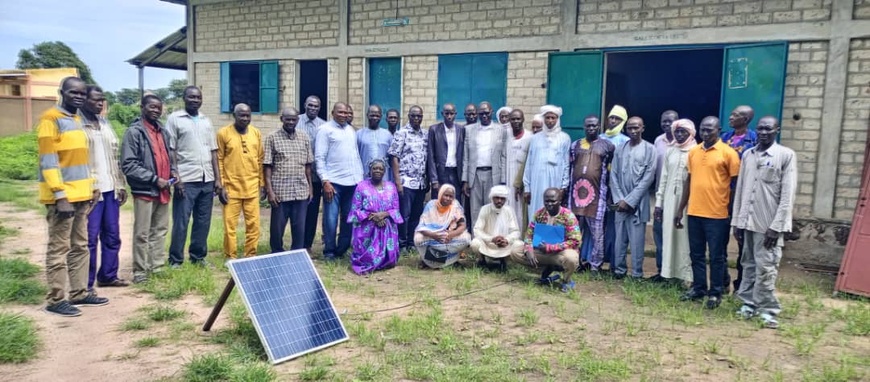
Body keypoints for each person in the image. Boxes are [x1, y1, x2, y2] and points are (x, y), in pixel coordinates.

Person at [38, 77, 105, 317]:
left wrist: (92, 187)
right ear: (62, 92)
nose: (78, 96)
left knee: (80, 245)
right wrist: (60, 195)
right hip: (63, 198)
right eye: (73, 92)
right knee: (59, 248)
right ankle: (56, 299)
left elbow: (81, 160)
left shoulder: (77, 120)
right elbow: (48, 161)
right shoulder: (51, 119)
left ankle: (79, 293)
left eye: (81, 93)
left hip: (81, 195)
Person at [732, 116, 796, 329]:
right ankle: (748, 304)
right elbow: (741, 190)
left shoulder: (785, 156)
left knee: (766, 267)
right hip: (747, 222)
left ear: (777, 130)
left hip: (768, 225)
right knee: (747, 264)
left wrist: (776, 227)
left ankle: (767, 310)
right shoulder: (748, 155)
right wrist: (737, 222)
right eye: (760, 129)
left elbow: (787, 196)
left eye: (769, 129)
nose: (764, 132)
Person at [676, 116, 740, 309]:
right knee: (696, 254)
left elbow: (736, 186)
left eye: (709, 130)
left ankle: (716, 292)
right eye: (702, 130)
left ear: (718, 130)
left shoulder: (729, 154)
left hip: (718, 215)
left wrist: (731, 213)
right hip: (695, 212)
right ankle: (699, 288)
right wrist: (680, 209)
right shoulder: (694, 152)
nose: (705, 133)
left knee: (717, 256)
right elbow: (689, 181)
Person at [122, 94, 177, 285]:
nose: (156, 110)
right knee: (142, 232)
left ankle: (157, 266)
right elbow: (128, 164)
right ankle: (140, 270)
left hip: (164, 189)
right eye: (152, 107)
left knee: (160, 229)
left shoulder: (163, 131)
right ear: (142, 107)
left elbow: (170, 156)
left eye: (158, 107)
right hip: (145, 190)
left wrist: (174, 172)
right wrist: (154, 179)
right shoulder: (134, 132)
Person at [166, 86, 221, 268]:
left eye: (198, 97)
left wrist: (217, 179)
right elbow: (171, 149)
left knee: (203, 221)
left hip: (207, 178)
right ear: (184, 98)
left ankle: (198, 257)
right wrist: (177, 177)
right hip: (186, 179)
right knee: (181, 221)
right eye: (191, 97)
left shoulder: (206, 120)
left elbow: (213, 151)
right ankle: (176, 259)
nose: (195, 100)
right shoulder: (175, 119)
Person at [80, 85, 128, 290]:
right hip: (90, 191)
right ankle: (85, 284)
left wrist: (120, 183)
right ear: (84, 100)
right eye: (95, 100)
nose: (100, 103)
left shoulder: (104, 123)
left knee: (112, 235)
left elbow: (114, 158)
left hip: (110, 189)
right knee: (89, 239)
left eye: (102, 100)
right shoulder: (76, 125)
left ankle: (108, 275)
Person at [316, 102, 364, 260]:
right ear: (332, 113)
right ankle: (329, 250)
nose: (343, 115)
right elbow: (320, 158)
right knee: (330, 218)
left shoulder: (351, 130)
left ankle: (342, 249)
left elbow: (355, 157)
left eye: (346, 112)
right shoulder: (325, 130)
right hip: (334, 183)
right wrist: (325, 181)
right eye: (340, 112)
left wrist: (360, 180)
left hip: (352, 183)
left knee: (349, 218)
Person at [611, 117, 656, 279]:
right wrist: (620, 199)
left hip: (638, 204)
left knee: (637, 241)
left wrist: (630, 200)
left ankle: (637, 273)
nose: (633, 131)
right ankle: (619, 270)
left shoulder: (650, 149)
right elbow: (613, 175)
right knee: (620, 240)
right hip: (620, 202)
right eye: (630, 128)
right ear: (626, 129)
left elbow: (648, 178)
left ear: (643, 128)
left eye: (636, 127)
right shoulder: (620, 149)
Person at [217, 104, 264, 259]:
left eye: (248, 115)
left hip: (251, 188)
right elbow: (219, 160)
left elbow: (260, 160)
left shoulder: (256, 133)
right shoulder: (223, 133)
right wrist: (221, 186)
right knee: (230, 226)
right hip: (231, 188)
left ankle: (250, 255)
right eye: (241, 115)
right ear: (234, 116)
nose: (245, 118)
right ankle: (230, 257)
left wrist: (262, 184)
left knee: (254, 226)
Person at [513, 188, 581, 293]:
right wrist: (528, 250)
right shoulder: (539, 214)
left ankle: (566, 280)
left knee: (571, 258)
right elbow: (529, 235)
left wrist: (551, 247)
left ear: (560, 200)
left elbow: (576, 240)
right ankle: (544, 269)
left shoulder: (568, 216)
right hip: (540, 250)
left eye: (553, 201)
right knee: (515, 251)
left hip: (559, 253)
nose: (549, 204)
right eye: (546, 201)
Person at [569, 115, 614, 273]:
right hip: (575, 196)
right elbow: (570, 168)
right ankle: (574, 262)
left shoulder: (607, 146)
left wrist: (608, 194)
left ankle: (595, 266)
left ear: (599, 127)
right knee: (573, 232)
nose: (591, 128)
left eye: (594, 126)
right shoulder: (575, 145)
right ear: (584, 127)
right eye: (588, 126)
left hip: (597, 197)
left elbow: (610, 172)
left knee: (597, 234)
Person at [654, 119, 696, 284]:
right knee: (669, 236)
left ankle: (687, 278)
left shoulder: (696, 151)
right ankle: (669, 275)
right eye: (677, 131)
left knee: (684, 238)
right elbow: (663, 178)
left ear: (691, 133)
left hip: (689, 202)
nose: (679, 135)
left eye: (683, 132)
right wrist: (659, 204)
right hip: (670, 200)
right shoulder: (671, 151)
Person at [264, 107, 313, 252]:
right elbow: (267, 166)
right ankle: (276, 252)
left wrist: (310, 188)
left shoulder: (304, 137)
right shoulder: (272, 138)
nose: (291, 122)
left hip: (300, 190)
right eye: (288, 119)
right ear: (282, 119)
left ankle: (296, 253)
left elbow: (308, 166)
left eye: (294, 119)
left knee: (299, 227)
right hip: (280, 192)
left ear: (298, 120)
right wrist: (270, 191)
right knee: (277, 228)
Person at [723, 105, 758, 291]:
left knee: (743, 243)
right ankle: (722, 281)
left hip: (743, 196)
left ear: (745, 120)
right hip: (722, 196)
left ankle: (741, 284)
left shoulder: (754, 141)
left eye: (735, 115)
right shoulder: (724, 138)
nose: (731, 116)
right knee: (719, 241)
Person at [348, 159, 403, 274]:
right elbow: (355, 210)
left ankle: (386, 259)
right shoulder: (361, 186)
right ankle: (368, 259)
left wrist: (384, 214)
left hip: (386, 223)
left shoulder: (391, 187)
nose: (378, 171)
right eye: (375, 168)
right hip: (367, 224)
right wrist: (373, 217)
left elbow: (396, 209)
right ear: (370, 170)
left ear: (384, 171)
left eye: (381, 169)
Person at [389, 105, 429, 250]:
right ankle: (402, 243)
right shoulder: (402, 133)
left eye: (419, 116)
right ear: (409, 116)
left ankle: (412, 243)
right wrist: (398, 181)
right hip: (406, 181)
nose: (416, 118)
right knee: (404, 215)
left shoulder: (425, 134)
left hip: (421, 183)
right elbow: (394, 157)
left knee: (416, 215)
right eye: (414, 116)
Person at [463, 101, 507, 230]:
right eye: (481, 113)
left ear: (492, 112)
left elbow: (503, 156)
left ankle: (490, 238)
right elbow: (466, 157)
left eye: (487, 113)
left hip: (493, 174)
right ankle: (477, 239)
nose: (484, 116)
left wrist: (503, 179)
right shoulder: (469, 130)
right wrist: (465, 180)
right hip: (474, 174)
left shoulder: (500, 130)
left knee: (491, 207)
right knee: (475, 209)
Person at [523, 105, 570, 222]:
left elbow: (566, 163)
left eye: (553, 118)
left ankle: (552, 239)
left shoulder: (564, 138)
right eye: (547, 117)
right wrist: (527, 187)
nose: (550, 120)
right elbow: (529, 162)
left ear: (557, 119)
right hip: (536, 181)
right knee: (536, 208)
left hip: (555, 179)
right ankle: (536, 238)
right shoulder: (535, 138)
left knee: (553, 208)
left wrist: (563, 186)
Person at [650, 110, 678, 281]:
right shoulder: (658, 141)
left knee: (674, 235)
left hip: (676, 197)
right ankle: (661, 271)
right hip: (660, 195)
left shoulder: (687, 142)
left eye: (670, 121)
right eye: (664, 121)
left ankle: (674, 274)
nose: (667, 124)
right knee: (659, 232)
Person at [414, 184, 471, 269]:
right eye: (446, 195)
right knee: (418, 239)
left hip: (448, 237)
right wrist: (434, 235)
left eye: (451, 196)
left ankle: (446, 260)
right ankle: (435, 260)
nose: (448, 198)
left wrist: (451, 234)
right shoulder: (431, 205)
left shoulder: (455, 206)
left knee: (466, 239)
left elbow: (462, 225)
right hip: (433, 236)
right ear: (440, 194)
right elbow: (421, 227)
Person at [601, 105, 630, 268]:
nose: (613, 121)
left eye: (617, 118)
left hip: (617, 188)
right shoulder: (599, 137)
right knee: (601, 222)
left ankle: (614, 258)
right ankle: (599, 255)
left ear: (623, 121)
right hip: (599, 187)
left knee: (615, 223)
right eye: (611, 117)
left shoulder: (625, 141)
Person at [470, 185, 523, 272]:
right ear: (492, 198)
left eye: (502, 198)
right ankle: (482, 261)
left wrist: (507, 240)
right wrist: (491, 239)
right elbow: (477, 230)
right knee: (475, 243)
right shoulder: (485, 209)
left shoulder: (509, 210)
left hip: (504, 245)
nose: (499, 201)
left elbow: (516, 232)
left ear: (505, 200)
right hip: (488, 244)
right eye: (497, 198)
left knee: (519, 244)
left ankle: (504, 262)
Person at [299, 95, 326, 254]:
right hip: (296, 175)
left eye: (316, 106)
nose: (313, 108)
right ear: (305, 105)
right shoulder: (296, 121)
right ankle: (297, 243)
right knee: (297, 211)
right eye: (310, 105)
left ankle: (307, 245)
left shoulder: (323, 126)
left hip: (315, 177)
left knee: (312, 211)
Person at [427, 103, 465, 198]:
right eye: (446, 113)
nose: (449, 116)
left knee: (455, 202)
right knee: (439, 201)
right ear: (442, 113)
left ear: (455, 114)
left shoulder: (461, 129)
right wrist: (434, 180)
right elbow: (430, 156)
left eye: (451, 114)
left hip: (456, 173)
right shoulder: (434, 130)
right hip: (441, 173)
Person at [505, 109, 532, 230]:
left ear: (523, 119)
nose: (516, 121)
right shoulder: (506, 135)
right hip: (507, 175)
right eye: (513, 119)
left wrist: (521, 182)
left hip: (521, 177)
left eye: (518, 119)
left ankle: (520, 235)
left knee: (520, 207)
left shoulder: (529, 137)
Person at [357, 105, 393, 182]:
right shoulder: (359, 134)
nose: (374, 118)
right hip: (364, 177)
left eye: (377, 115)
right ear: (367, 115)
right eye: (372, 115)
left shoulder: (387, 135)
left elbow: (392, 158)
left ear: (381, 117)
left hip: (384, 177)